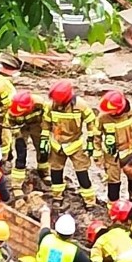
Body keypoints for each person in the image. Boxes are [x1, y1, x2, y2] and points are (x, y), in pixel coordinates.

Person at [43, 80, 97, 210]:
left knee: (82, 173)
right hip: (57, 144)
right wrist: (44, 139)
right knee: (56, 172)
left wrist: (91, 141)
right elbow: (46, 124)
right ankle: (57, 197)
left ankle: (89, 201)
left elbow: (91, 122)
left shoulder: (81, 106)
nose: (55, 103)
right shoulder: (50, 106)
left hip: (75, 144)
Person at [94, 90, 132, 204]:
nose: (110, 113)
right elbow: (96, 136)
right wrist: (97, 154)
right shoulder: (102, 117)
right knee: (113, 180)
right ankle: (113, 205)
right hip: (112, 154)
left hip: (130, 150)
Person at [7, 90, 51, 199]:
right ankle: (16, 185)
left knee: (43, 150)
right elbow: (11, 124)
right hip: (21, 128)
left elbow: (47, 117)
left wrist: (45, 132)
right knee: (21, 154)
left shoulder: (40, 103)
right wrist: (18, 136)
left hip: (37, 125)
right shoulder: (12, 109)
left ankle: (44, 172)